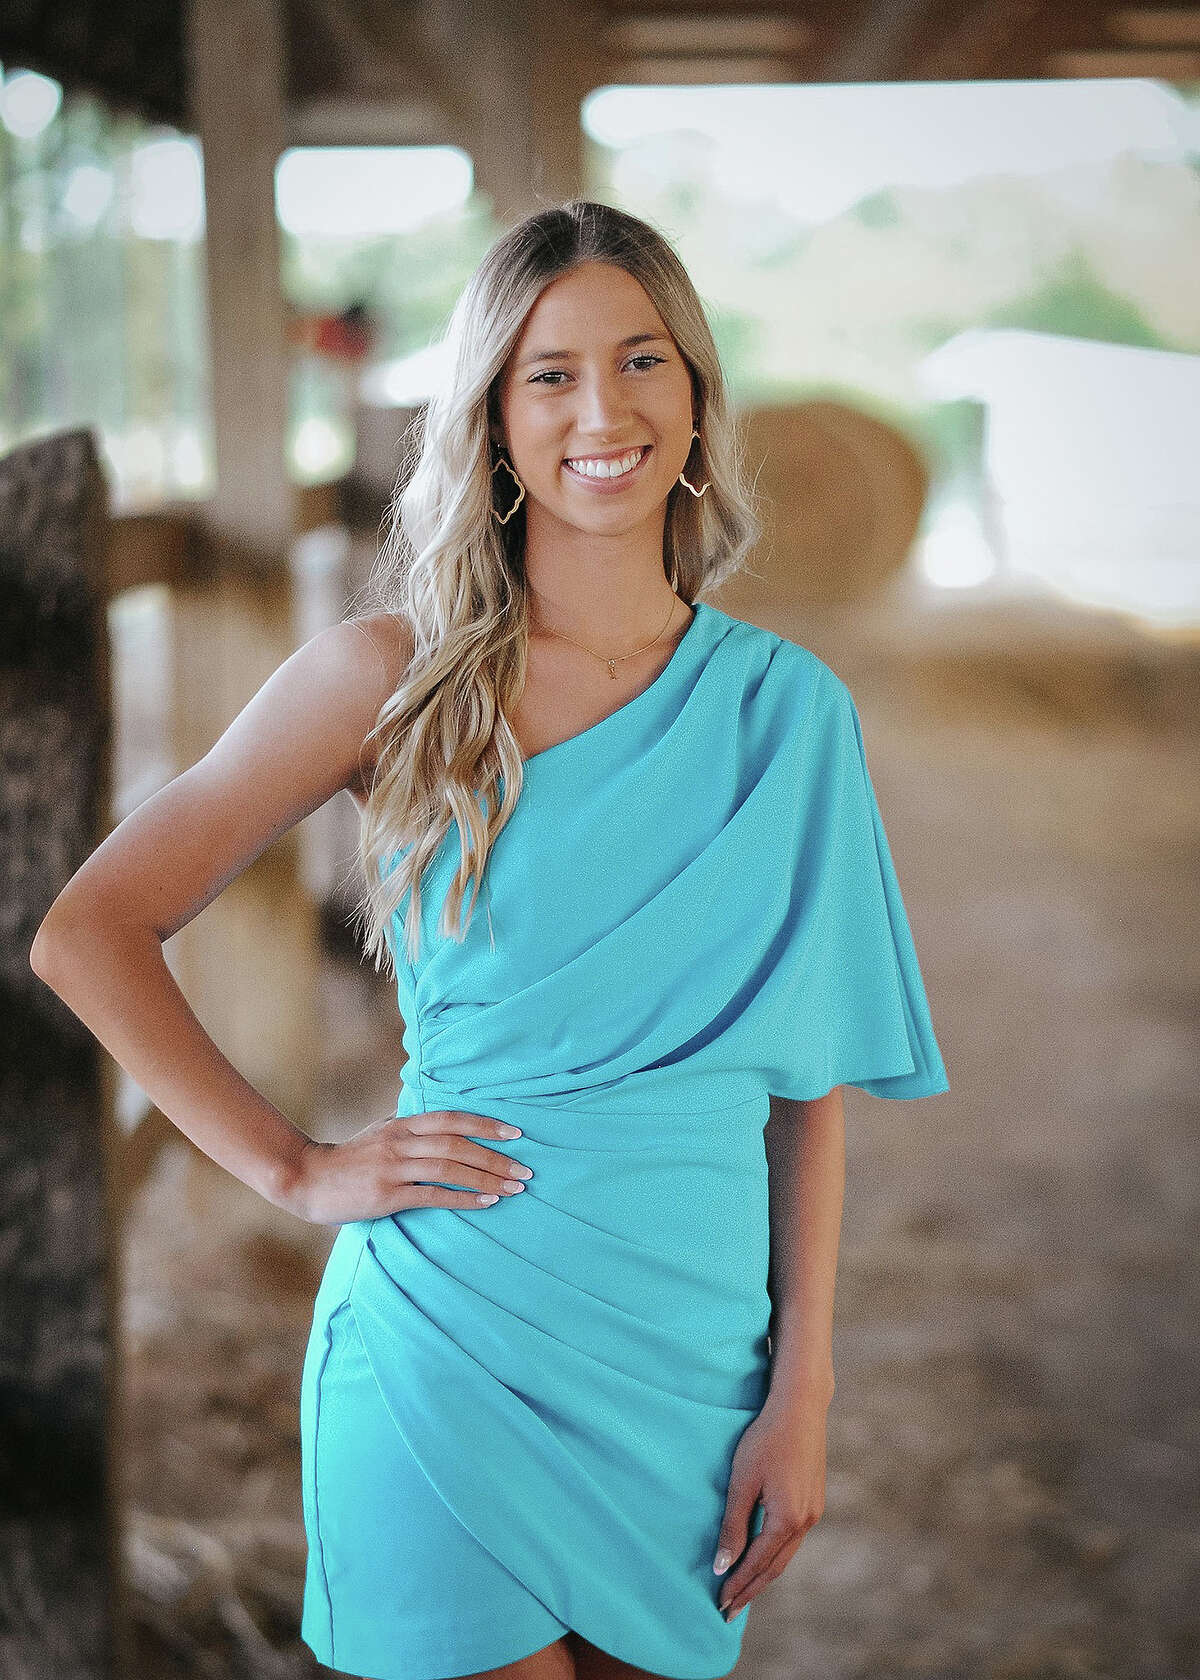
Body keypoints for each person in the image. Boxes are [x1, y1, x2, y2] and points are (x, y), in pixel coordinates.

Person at [30, 198, 949, 1680]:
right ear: (495, 423)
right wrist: (292, 1166)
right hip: (449, 1344)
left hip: (692, 1370)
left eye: (643, 359)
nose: (604, 407)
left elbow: (803, 1089)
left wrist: (805, 1389)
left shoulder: (790, 715)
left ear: (698, 397)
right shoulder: (385, 679)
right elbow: (91, 931)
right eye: (549, 373)